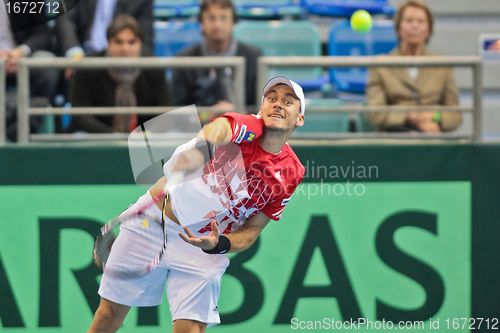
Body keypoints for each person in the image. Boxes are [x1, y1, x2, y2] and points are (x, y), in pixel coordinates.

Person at [86, 75, 306, 333]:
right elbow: (220, 128)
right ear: (261, 108)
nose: (278, 104)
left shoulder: (291, 172)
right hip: (153, 221)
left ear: (299, 118)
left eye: (288, 101)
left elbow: (251, 232)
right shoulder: (249, 126)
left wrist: (219, 245)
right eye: (272, 98)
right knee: (107, 315)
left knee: (190, 330)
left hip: (202, 244)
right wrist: (201, 149)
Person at [366, 0, 462, 133]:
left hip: (433, 136)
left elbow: (455, 115)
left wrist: (434, 116)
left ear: (429, 29)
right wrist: (409, 116)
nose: (414, 26)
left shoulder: (442, 64)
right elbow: (375, 113)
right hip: (394, 137)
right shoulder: (381, 64)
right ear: (398, 28)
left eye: (420, 21)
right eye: (409, 21)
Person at [68, 15, 168, 133]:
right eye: (118, 42)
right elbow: (81, 116)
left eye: (131, 42)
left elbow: (164, 114)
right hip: (97, 136)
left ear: (140, 43)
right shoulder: (88, 67)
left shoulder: (154, 68)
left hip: (143, 140)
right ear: (108, 43)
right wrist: (114, 136)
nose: (125, 48)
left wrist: (143, 135)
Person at [171, 0, 262, 111]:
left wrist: (237, 112)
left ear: (233, 22)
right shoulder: (184, 60)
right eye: (211, 18)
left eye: (223, 18)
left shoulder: (253, 57)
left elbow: (260, 107)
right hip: (198, 126)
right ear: (201, 23)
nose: (217, 25)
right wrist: (205, 115)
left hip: (243, 126)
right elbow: (177, 110)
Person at [0, 5, 58, 141]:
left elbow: (43, 33)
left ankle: (26, 126)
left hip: (22, 57)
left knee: (47, 65)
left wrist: (20, 52)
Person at [55, 0, 154, 57]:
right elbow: (65, 19)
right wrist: (73, 51)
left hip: (121, 56)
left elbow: (145, 37)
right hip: (83, 56)